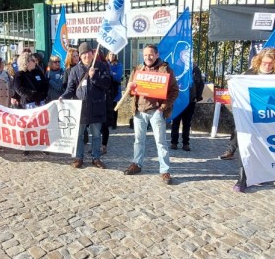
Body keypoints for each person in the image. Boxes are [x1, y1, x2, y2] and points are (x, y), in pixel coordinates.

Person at [123, 44, 179, 185]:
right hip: (139, 111)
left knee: (160, 142)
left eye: (151, 54)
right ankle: (137, 164)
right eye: (145, 55)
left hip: (156, 112)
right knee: (138, 141)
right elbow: (130, 92)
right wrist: (130, 88)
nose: (148, 57)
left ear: (157, 55)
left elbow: (174, 91)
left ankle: (165, 170)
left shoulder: (165, 70)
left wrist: (163, 107)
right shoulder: (137, 69)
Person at [231, 47, 275, 192]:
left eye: (271, 64)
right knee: (246, 145)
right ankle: (242, 178)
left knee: (264, 146)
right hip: (249, 116)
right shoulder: (249, 74)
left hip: (269, 117)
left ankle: (261, 174)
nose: (267, 66)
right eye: (265, 63)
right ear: (259, 61)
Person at [60, 42, 111, 169]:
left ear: (92, 54)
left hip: (97, 106)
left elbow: (107, 84)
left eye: (88, 53)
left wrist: (94, 77)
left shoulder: (102, 66)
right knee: (79, 134)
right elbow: (70, 88)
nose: (86, 56)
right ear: (80, 56)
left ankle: (96, 157)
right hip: (80, 108)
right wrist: (63, 97)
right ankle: (79, 157)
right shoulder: (75, 70)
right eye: (83, 54)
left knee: (96, 134)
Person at [170, 65, 205, 152]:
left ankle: (185, 143)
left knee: (186, 123)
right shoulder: (177, 67)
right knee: (175, 121)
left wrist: (197, 96)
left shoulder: (195, 69)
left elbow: (200, 83)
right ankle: (174, 142)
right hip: (178, 100)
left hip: (190, 100)